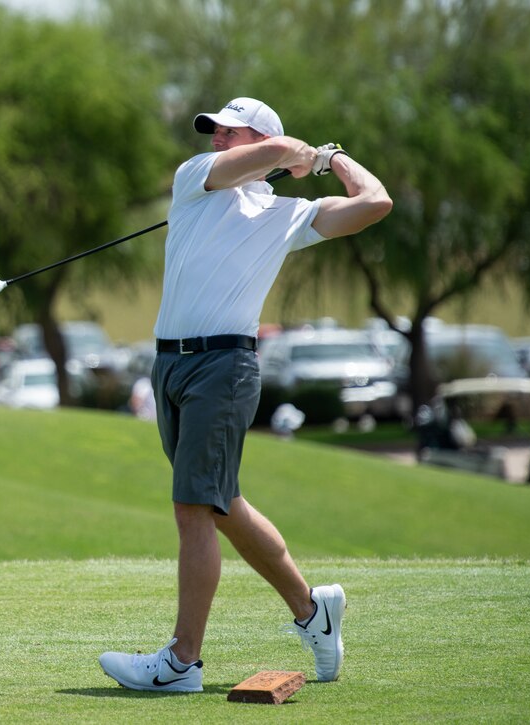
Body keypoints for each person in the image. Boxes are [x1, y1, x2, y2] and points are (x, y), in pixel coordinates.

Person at [98, 97, 393, 692]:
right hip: (169, 366)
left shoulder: (287, 215)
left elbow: (375, 203)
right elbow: (278, 153)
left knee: (192, 507)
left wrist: (333, 157)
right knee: (218, 502)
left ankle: (182, 663)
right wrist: (294, 154)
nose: (215, 140)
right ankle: (314, 610)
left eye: (229, 133)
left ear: (257, 140)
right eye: (213, 130)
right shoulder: (194, 179)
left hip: (224, 368)